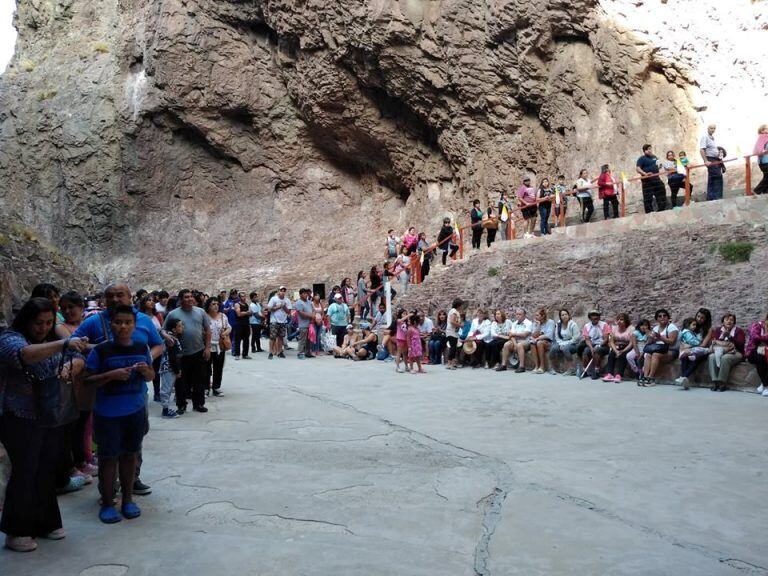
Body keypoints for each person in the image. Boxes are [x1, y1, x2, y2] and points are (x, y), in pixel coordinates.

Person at [0, 298, 89, 551]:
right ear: (27, 320)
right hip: (19, 417)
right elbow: (25, 356)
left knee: (45, 470)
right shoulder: (10, 339)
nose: (43, 328)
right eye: (39, 323)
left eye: (49, 323)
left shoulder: (50, 341)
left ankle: (45, 522)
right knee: (25, 471)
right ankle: (16, 531)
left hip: (50, 416)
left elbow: (79, 358)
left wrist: (72, 365)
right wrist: (62, 343)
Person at [72, 282, 162, 496]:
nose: (114, 299)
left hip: (136, 393)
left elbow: (157, 344)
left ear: (130, 297)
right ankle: (108, 490)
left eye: (119, 295)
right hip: (106, 396)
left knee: (134, 441)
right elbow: (73, 342)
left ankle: (132, 480)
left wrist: (145, 360)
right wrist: (101, 351)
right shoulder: (94, 322)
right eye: (109, 296)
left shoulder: (144, 321)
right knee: (108, 448)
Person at [84, 305, 154, 524]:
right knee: (108, 459)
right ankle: (107, 502)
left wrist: (145, 371)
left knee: (130, 455)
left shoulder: (142, 347)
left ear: (135, 324)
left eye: (128, 322)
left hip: (134, 411)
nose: (123, 326)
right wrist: (110, 375)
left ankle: (127, 500)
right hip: (107, 414)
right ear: (109, 324)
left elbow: (151, 376)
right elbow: (87, 380)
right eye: (118, 322)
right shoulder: (101, 350)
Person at [161, 289, 211, 413]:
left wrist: (208, 348)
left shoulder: (201, 312)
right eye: (186, 297)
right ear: (181, 299)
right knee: (181, 381)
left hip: (198, 351)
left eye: (191, 296)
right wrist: (166, 336)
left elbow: (208, 330)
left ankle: (198, 404)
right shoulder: (173, 314)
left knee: (199, 380)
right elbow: (162, 329)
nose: (190, 299)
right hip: (180, 354)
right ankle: (181, 405)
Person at [640, 309, 679, 386]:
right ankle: (645, 377)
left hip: (671, 350)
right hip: (659, 349)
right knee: (648, 354)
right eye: (660, 316)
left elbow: (672, 342)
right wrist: (650, 337)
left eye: (664, 316)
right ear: (657, 319)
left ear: (668, 317)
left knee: (655, 354)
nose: (662, 318)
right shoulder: (655, 328)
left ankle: (651, 378)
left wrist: (660, 337)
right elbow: (651, 342)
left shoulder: (671, 327)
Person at [707, 313, 745, 392]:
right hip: (721, 351)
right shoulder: (718, 330)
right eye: (727, 319)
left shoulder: (738, 331)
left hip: (736, 352)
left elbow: (741, 345)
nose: (729, 321)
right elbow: (715, 342)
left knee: (725, 358)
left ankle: (722, 382)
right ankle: (715, 381)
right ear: (723, 322)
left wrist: (730, 337)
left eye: (731, 320)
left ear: (734, 322)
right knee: (712, 357)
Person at [675, 317, 710, 390]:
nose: (695, 326)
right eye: (693, 325)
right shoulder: (687, 332)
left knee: (691, 358)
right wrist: (698, 342)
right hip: (687, 350)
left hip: (689, 351)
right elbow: (693, 341)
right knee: (686, 358)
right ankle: (684, 377)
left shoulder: (691, 332)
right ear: (688, 325)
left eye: (695, 325)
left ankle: (683, 377)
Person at [204, 297, 229, 397]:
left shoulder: (223, 316)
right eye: (213, 304)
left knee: (218, 367)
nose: (215, 306)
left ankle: (216, 387)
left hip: (220, 346)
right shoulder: (204, 316)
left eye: (217, 304)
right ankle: (205, 388)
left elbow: (229, 327)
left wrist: (225, 333)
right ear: (208, 306)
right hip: (207, 346)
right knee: (206, 368)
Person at [157, 318, 182, 418]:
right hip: (169, 367)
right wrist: (177, 369)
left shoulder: (173, 337)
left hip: (171, 367)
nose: (182, 328)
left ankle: (167, 408)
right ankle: (165, 410)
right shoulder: (171, 339)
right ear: (174, 329)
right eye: (180, 326)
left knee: (169, 388)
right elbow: (173, 357)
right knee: (166, 389)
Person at [579, 310, 611, 379]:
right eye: (592, 318)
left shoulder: (604, 325)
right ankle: (585, 370)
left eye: (596, 318)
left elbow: (606, 339)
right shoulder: (587, 326)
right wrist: (591, 348)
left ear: (599, 318)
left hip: (603, 345)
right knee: (585, 352)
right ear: (590, 318)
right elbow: (587, 339)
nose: (594, 319)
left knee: (596, 352)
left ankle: (597, 371)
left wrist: (599, 345)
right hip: (592, 344)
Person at [549, 309, 581, 375]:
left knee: (566, 349)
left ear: (569, 315)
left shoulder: (573, 324)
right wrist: (561, 344)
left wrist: (565, 344)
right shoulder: (558, 324)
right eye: (562, 315)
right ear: (560, 317)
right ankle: (553, 368)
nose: (564, 316)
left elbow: (576, 338)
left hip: (573, 344)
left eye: (566, 314)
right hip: (561, 342)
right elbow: (557, 336)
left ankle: (571, 369)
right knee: (553, 348)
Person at [602, 313, 633, 382]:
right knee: (611, 354)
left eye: (621, 319)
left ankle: (619, 375)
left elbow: (631, 343)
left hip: (627, 346)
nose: (619, 321)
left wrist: (623, 351)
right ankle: (610, 374)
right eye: (618, 319)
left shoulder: (631, 329)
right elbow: (611, 341)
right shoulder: (615, 328)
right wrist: (616, 351)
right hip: (617, 346)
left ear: (626, 321)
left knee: (623, 356)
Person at [636, 144, 667, 212]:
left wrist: (660, 166)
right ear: (644, 151)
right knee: (648, 196)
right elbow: (638, 168)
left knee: (661, 189)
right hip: (647, 180)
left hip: (656, 178)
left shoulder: (654, 157)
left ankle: (661, 209)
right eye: (648, 149)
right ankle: (649, 212)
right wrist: (645, 174)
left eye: (650, 149)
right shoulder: (642, 158)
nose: (649, 150)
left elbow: (657, 165)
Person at [266, 286, 292, 359]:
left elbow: (289, 312)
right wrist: (278, 307)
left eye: (284, 290)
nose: (282, 292)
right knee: (272, 337)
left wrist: (284, 307)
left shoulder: (287, 300)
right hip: (274, 320)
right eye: (281, 290)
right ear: (278, 291)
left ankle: (280, 352)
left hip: (283, 321)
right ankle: (271, 352)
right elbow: (269, 309)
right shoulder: (274, 299)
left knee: (281, 337)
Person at [746, 313, 768, 396]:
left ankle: (763, 384)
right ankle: (766, 386)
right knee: (760, 357)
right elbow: (755, 337)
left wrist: (764, 338)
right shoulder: (757, 325)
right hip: (753, 352)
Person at [700, 124, 723, 200]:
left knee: (712, 178)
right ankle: (717, 197)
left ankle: (710, 198)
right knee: (718, 176)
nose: (712, 130)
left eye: (714, 128)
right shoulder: (705, 137)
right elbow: (702, 149)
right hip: (710, 159)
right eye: (711, 128)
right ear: (707, 128)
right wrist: (706, 161)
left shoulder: (712, 138)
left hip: (715, 159)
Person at [530, 308, 556, 374]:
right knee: (532, 344)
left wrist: (538, 338)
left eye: (537, 315)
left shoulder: (550, 322)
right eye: (535, 315)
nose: (535, 317)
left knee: (539, 343)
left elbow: (549, 335)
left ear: (543, 316)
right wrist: (538, 325)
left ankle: (542, 366)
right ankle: (536, 366)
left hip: (549, 342)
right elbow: (533, 335)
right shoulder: (535, 323)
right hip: (539, 340)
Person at [294, 288, 315, 359]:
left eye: (306, 293)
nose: (306, 295)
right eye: (304, 293)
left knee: (309, 340)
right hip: (303, 324)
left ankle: (308, 352)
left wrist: (313, 315)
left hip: (310, 324)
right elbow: (301, 314)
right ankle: (300, 353)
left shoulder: (309, 302)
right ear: (300, 295)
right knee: (302, 340)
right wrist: (311, 315)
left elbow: (314, 310)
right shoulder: (298, 303)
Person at [445, 299, 464, 370]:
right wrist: (460, 325)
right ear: (459, 305)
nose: (462, 306)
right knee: (453, 348)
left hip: (453, 332)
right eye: (461, 305)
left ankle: (451, 363)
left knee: (453, 348)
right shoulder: (454, 311)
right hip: (452, 332)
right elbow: (452, 321)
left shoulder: (455, 312)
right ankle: (450, 364)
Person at [232, 292, 252, 360]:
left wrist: (248, 313)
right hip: (239, 324)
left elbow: (250, 313)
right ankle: (237, 354)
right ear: (239, 297)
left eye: (244, 296)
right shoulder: (237, 304)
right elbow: (239, 314)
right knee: (238, 340)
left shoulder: (246, 304)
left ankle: (245, 354)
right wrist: (247, 313)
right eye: (242, 296)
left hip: (246, 324)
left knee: (246, 340)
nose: (244, 298)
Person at [753, 124, 768, 195]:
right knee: (767, 177)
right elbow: (758, 150)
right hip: (765, 161)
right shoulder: (763, 137)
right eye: (766, 129)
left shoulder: (763, 137)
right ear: (762, 130)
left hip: (764, 161)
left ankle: (765, 192)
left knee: (766, 177)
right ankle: (757, 191)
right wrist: (763, 151)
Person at [394, 309, 409, 373]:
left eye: (405, 313)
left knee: (405, 353)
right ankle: (397, 367)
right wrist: (408, 315)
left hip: (405, 339)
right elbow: (400, 320)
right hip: (400, 338)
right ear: (400, 314)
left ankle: (406, 366)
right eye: (403, 313)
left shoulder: (406, 322)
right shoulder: (398, 320)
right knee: (399, 353)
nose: (405, 315)